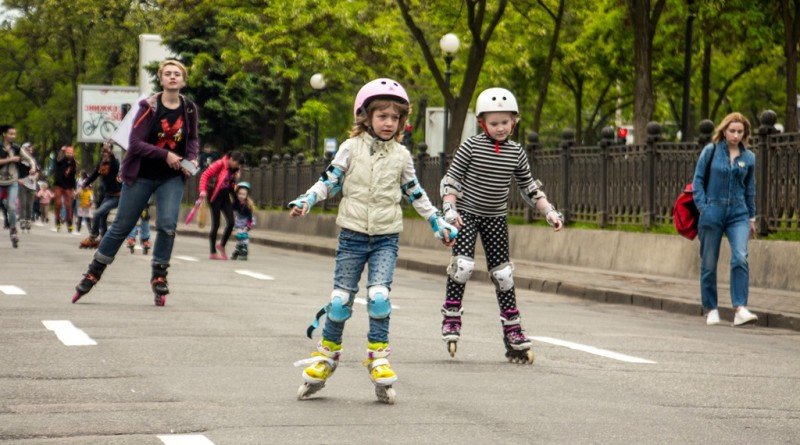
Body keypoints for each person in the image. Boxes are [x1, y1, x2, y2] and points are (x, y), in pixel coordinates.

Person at [289, 78, 457, 404]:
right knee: (340, 302)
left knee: (379, 297)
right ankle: (326, 355)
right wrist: (307, 200)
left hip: (385, 237)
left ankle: (378, 357)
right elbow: (330, 180)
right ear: (365, 116)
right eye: (382, 116)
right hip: (352, 234)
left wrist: (437, 222)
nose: (388, 123)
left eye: (395, 118)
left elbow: (415, 193)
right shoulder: (350, 148)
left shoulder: (402, 156)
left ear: (401, 122)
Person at [438, 88, 564, 364]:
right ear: (483, 123)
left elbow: (530, 188)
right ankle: (451, 317)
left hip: (496, 217)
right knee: (463, 266)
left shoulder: (516, 152)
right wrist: (449, 210)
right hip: (466, 214)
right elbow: (451, 181)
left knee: (503, 274)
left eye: (505, 122)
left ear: (514, 122)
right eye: (494, 123)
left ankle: (513, 332)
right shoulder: (470, 146)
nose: (500, 128)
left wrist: (550, 212)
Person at [71, 59, 200, 307]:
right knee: (122, 225)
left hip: (170, 177)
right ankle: (93, 271)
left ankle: (159, 275)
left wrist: (191, 157)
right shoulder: (148, 107)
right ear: (161, 79)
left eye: (177, 74)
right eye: (168, 74)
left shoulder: (190, 109)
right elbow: (136, 143)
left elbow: (192, 139)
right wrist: (166, 155)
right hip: (140, 175)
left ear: (183, 81)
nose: (173, 77)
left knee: (167, 225)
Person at [692, 112, 758, 327]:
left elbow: (750, 189)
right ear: (724, 130)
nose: (736, 135)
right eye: (732, 131)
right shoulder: (711, 151)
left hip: (738, 213)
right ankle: (711, 308)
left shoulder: (748, 157)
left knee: (740, 257)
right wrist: (703, 207)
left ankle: (740, 308)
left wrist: (751, 217)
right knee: (709, 262)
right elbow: (698, 181)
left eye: (740, 132)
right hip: (713, 211)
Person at [198, 151, 244, 259]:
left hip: (225, 197)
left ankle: (221, 245)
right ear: (231, 160)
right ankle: (213, 252)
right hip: (214, 196)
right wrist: (202, 190)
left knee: (231, 222)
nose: (238, 166)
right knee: (216, 224)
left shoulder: (234, 169)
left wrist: (235, 179)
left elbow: (230, 184)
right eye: (237, 164)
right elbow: (205, 175)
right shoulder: (219, 164)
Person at [79, 141, 121, 248]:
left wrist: (109, 152)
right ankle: (104, 238)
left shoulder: (114, 163)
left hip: (117, 196)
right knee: (102, 216)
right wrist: (84, 184)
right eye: (103, 151)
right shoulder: (101, 163)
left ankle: (93, 236)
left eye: (107, 151)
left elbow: (116, 166)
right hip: (108, 195)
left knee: (97, 213)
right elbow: (94, 175)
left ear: (111, 152)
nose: (105, 153)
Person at [0, 125, 36, 247]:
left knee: (12, 207)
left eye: (14, 134)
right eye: (10, 134)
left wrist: (33, 166)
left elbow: (29, 158)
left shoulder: (16, 147)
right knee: (6, 205)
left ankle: (13, 231)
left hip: (12, 181)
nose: (13, 136)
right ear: (4, 134)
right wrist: (10, 159)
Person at [53, 145, 77, 232]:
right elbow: (58, 160)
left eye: (71, 153)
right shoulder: (61, 160)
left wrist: (74, 188)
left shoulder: (73, 162)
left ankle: (69, 222)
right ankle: (57, 220)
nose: (69, 154)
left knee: (68, 205)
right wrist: (61, 151)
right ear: (65, 153)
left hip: (68, 185)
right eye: (68, 153)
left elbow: (73, 175)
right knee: (58, 203)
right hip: (59, 184)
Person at [17, 142, 39, 232]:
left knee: (30, 205)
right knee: (23, 203)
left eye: (30, 149)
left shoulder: (33, 161)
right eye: (27, 149)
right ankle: (22, 220)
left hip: (32, 186)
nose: (29, 151)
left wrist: (35, 177)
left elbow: (37, 172)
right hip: (22, 184)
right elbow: (13, 173)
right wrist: (18, 180)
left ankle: (28, 221)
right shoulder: (19, 161)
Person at [230, 181, 255, 260]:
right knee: (239, 235)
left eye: (243, 194)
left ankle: (244, 248)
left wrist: (248, 225)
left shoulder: (247, 205)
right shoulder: (236, 203)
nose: (241, 196)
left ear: (246, 195)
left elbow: (250, 217)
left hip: (247, 221)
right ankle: (238, 247)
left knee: (243, 235)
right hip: (238, 220)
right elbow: (231, 210)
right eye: (239, 194)